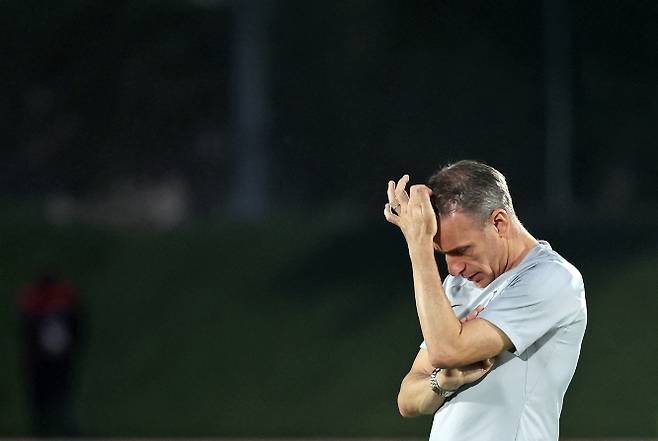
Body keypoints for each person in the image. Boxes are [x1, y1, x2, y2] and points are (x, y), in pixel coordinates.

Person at [384, 160, 586, 441]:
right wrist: (440, 383)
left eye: (462, 250)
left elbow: (447, 351)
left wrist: (418, 245)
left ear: (499, 223)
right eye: (444, 254)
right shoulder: (459, 284)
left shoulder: (552, 278)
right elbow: (407, 398)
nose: (453, 269)